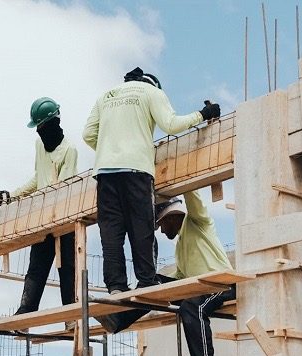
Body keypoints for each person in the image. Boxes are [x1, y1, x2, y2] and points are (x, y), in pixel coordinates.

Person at [83, 67, 220, 295]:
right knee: (141, 225)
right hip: (136, 169)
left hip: (105, 172)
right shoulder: (151, 93)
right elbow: (171, 124)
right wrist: (203, 114)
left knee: (111, 230)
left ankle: (116, 286)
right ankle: (146, 281)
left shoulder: (105, 97)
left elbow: (88, 134)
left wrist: (110, 150)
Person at [96, 191, 234, 356]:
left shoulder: (198, 223)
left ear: (171, 216)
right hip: (196, 288)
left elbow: (193, 195)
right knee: (154, 283)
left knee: (192, 306)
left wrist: (181, 179)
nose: (161, 231)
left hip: (220, 286)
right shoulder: (180, 245)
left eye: (161, 225)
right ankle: (118, 320)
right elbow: (179, 277)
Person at [3, 96, 78, 315]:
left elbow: (64, 189)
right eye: (37, 127)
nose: (39, 131)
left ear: (54, 123)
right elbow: (39, 178)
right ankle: (26, 309)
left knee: (67, 269)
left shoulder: (69, 150)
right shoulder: (40, 145)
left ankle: (71, 317)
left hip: (65, 217)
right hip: (43, 218)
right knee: (36, 265)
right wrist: (13, 196)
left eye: (42, 126)